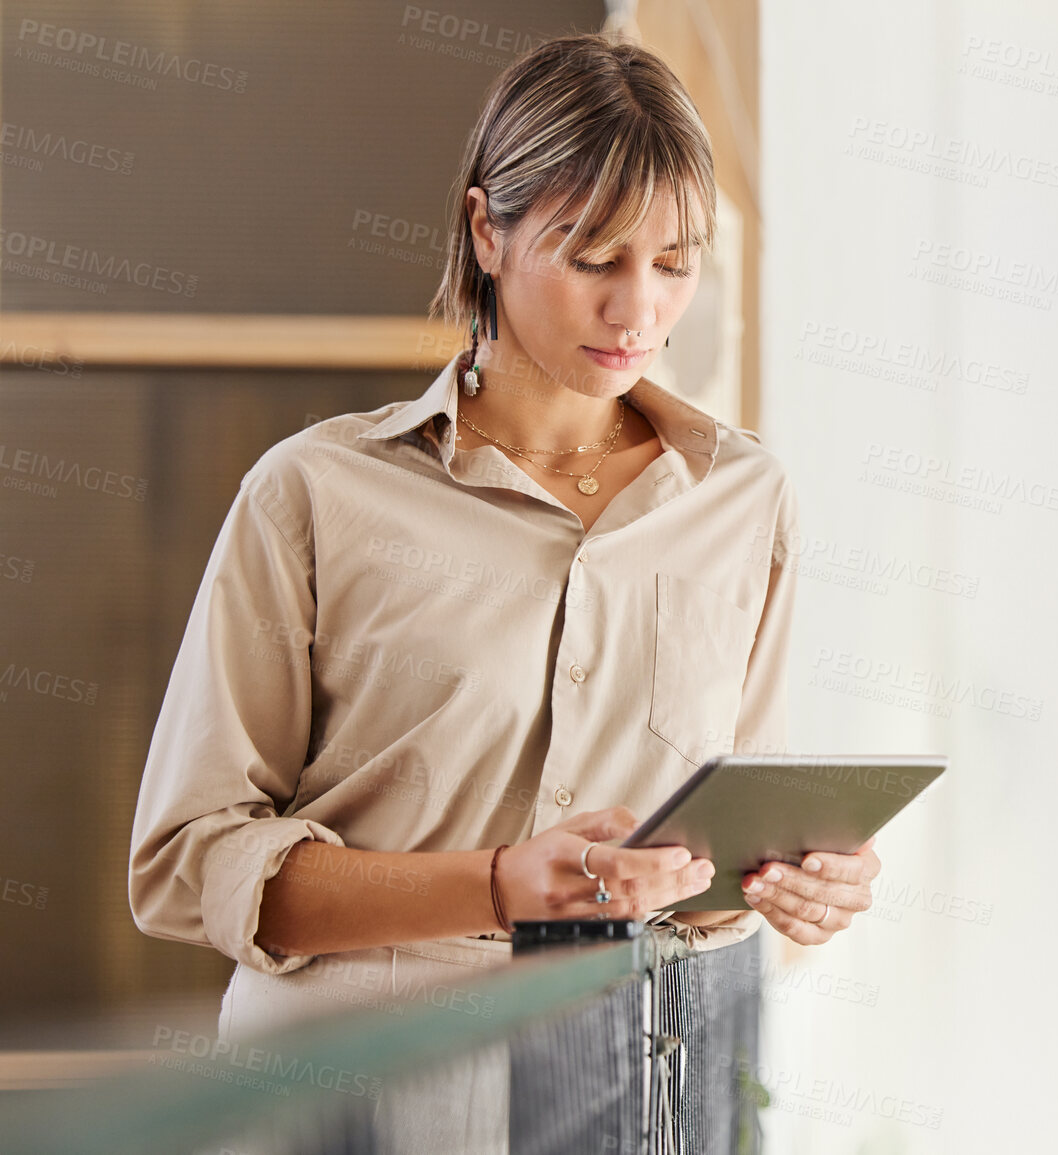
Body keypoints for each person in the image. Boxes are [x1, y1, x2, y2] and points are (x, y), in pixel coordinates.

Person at [126, 31, 880, 1148]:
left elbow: (710, 859)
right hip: (356, 1097)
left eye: (674, 262)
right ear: (488, 229)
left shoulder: (745, 498)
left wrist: (795, 883)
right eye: (593, 258)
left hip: (636, 1091)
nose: (639, 311)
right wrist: (497, 885)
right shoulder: (318, 493)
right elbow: (191, 861)